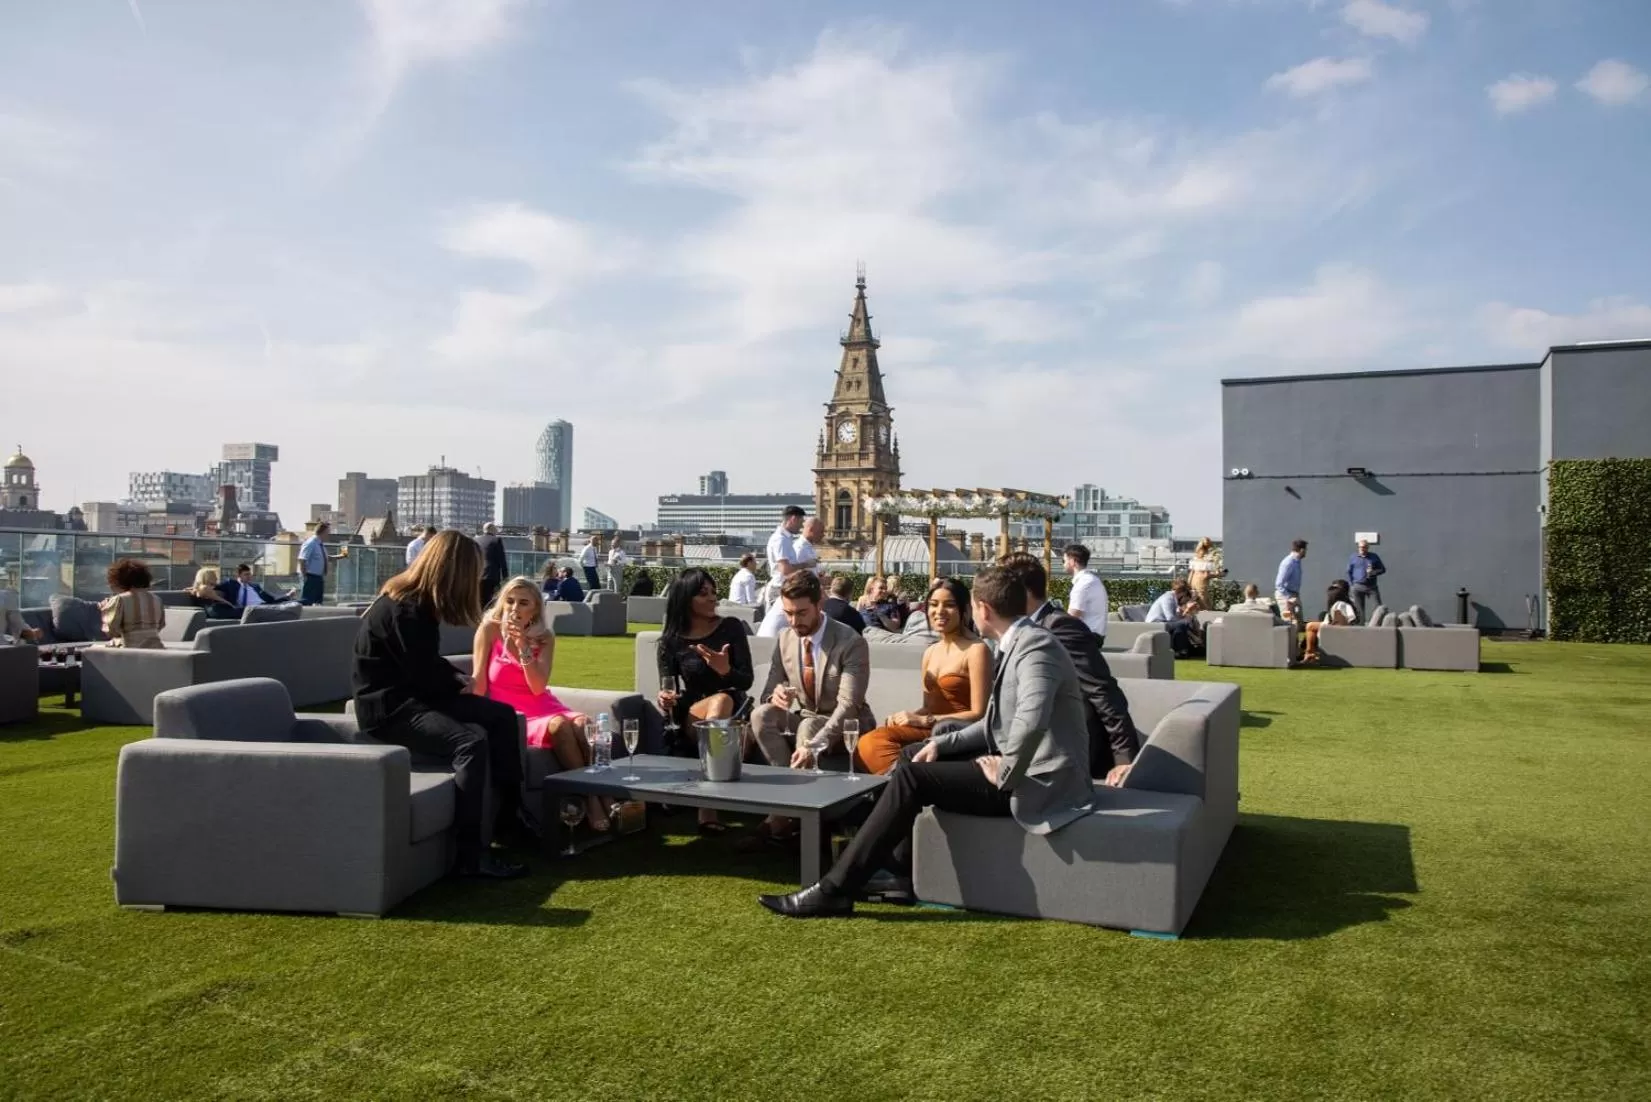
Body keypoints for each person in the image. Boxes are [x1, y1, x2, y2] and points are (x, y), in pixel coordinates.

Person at [758, 566, 1096, 917]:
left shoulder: (1035, 647)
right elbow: (994, 725)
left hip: (1040, 782)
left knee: (910, 776)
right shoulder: (1017, 643)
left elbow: (1030, 724)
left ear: (981, 609)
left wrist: (1006, 772)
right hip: (1019, 770)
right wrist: (940, 746)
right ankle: (891, 873)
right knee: (913, 760)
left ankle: (834, 889)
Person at [351, 530, 529, 879]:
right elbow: (421, 675)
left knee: (502, 716)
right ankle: (470, 855)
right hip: (390, 709)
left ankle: (511, 819)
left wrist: (456, 679)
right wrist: (454, 683)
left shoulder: (416, 605)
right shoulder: (407, 610)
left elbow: (425, 663)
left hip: (410, 697)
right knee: (470, 744)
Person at [747, 570, 876, 844]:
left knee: (808, 726)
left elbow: (849, 706)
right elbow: (767, 692)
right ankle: (787, 806)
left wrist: (813, 745)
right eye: (788, 613)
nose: (794, 621)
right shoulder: (785, 638)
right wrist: (776, 695)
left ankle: (794, 821)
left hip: (848, 726)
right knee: (761, 716)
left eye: (802, 613)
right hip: (806, 717)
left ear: (820, 604)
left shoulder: (850, 642)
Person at [473, 576, 610, 829]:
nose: (514, 609)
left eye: (523, 603)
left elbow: (537, 687)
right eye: (510, 601)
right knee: (558, 726)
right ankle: (592, 800)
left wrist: (522, 646)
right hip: (515, 713)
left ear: (535, 608)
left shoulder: (544, 637)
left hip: (543, 704)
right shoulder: (489, 630)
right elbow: (479, 681)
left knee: (583, 724)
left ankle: (606, 796)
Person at [1000, 553, 1140, 782]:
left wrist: (1124, 760)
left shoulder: (1060, 628)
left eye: (1001, 591)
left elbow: (1102, 691)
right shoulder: (1014, 631)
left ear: (1023, 593)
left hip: (1068, 750)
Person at [856, 578, 989, 774]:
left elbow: (979, 713)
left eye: (949, 605)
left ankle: (901, 780)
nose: (939, 611)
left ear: (965, 610)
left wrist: (922, 720)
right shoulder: (930, 652)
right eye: (933, 605)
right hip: (930, 727)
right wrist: (906, 717)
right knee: (869, 742)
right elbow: (929, 707)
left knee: (874, 743)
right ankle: (900, 781)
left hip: (955, 732)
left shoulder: (977, 650)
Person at [657, 567, 755, 832]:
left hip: (735, 714)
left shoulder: (731, 628)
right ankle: (708, 806)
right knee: (717, 702)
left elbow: (746, 680)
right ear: (685, 598)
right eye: (703, 594)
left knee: (723, 700)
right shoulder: (670, 642)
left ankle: (706, 801)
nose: (712, 598)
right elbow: (669, 689)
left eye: (713, 592)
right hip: (693, 714)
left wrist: (725, 670)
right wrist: (665, 698)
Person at [757, 516, 823, 637]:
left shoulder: (802, 546)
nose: (823, 535)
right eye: (821, 532)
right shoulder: (794, 545)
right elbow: (789, 571)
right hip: (785, 590)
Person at [99, 559, 165, 649]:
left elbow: (111, 632)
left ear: (118, 580)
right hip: (156, 650)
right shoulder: (157, 599)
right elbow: (160, 626)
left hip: (131, 652)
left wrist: (106, 611)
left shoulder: (120, 599)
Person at [1301, 580, 1359, 664]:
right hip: (1337, 628)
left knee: (1310, 626)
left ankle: (1309, 653)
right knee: (1314, 624)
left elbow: (1340, 624)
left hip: (1337, 631)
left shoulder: (1340, 604)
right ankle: (1307, 652)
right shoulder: (1346, 601)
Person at [762, 506, 808, 606]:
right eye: (801, 522)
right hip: (780, 589)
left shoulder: (784, 539)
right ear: (793, 519)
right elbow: (785, 569)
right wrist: (806, 564)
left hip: (783, 588)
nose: (801, 527)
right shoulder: (781, 540)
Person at [1147, 579, 1204, 657]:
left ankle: (1185, 649)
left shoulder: (1173, 599)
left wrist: (1185, 616)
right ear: (1182, 593)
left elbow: (1174, 618)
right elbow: (1170, 618)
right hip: (1156, 623)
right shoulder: (1168, 598)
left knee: (1185, 623)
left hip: (1163, 622)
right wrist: (1185, 618)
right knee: (1184, 623)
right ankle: (1181, 650)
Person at [1063, 543, 1109, 639]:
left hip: (1086, 638)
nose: (1063, 564)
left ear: (1072, 561)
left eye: (1064, 561)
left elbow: (1073, 617)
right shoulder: (1091, 580)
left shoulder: (1083, 584)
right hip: (1093, 635)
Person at [297, 522, 347, 606]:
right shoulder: (311, 543)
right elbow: (302, 559)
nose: (329, 535)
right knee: (306, 601)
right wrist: (305, 576)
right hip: (310, 577)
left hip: (318, 577)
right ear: (322, 532)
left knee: (318, 602)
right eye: (328, 532)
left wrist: (342, 555)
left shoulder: (320, 545)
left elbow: (326, 558)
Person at [217, 563, 296, 610]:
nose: (249, 576)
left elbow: (271, 599)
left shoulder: (255, 586)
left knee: (299, 602)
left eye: (249, 574)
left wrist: (286, 596)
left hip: (264, 606)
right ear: (238, 575)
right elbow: (214, 587)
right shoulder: (231, 584)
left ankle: (288, 596)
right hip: (251, 609)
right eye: (246, 574)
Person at [1347, 539, 1386, 621]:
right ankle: (1361, 627)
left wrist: (1373, 572)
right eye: (1360, 547)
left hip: (1371, 586)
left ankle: (1377, 626)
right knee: (1359, 610)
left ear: (1367, 548)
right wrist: (1352, 585)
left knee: (1378, 607)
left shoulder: (1374, 557)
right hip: (1358, 586)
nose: (1362, 549)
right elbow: (1349, 571)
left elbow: (1382, 569)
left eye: (1364, 547)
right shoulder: (1353, 557)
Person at [1275, 539, 1308, 622]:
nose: (1306, 552)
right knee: (1290, 622)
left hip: (1294, 594)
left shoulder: (1297, 562)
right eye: (1306, 550)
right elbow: (1279, 584)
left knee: (1299, 621)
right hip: (1285, 595)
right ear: (1302, 550)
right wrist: (1289, 597)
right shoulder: (1289, 562)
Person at [476, 524, 508, 607]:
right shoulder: (496, 540)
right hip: (491, 575)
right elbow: (502, 559)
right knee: (491, 601)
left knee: (479, 600)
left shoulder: (476, 540)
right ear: (493, 530)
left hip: (477, 575)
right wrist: (505, 577)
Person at [1187, 537, 1222, 604]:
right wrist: (1219, 574)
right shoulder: (1207, 561)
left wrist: (1188, 584)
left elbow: (1191, 573)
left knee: (1195, 599)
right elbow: (1205, 575)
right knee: (1203, 600)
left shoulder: (1194, 559)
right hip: (1202, 583)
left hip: (1193, 582)